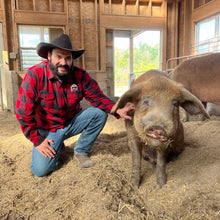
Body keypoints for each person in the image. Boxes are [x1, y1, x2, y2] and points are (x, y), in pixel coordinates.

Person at [16, 34, 135, 177]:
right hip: (48, 130)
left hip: (71, 122)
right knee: (41, 171)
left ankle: (81, 151)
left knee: (99, 114)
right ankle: (57, 145)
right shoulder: (35, 75)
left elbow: (97, 97)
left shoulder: (79, 75)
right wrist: (38, 141)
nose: (63, 62)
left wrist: (117, 110)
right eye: (58, 57)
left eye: (68, 58)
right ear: (49, 56)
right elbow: (23, 113)